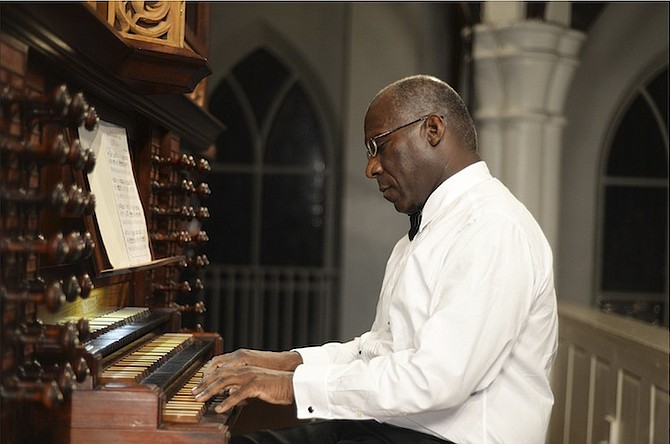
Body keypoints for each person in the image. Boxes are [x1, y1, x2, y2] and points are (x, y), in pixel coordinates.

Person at [192, 74, 559, 444]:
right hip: (394, 427)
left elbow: (436, 379)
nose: (371, 167)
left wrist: (292, 386)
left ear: (432, 129)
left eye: (378, 146)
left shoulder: (491, 227)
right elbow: (378, 350)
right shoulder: (429, 228)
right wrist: (285, 363)